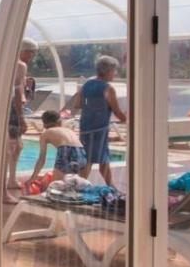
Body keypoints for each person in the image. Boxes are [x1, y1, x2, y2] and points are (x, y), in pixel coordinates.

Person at [66, 54, 128, 189]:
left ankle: (111, 187)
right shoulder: (108, 88)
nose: (115, 74)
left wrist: (92, 105)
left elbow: (77, 104)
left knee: (102, 158)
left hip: (86, 127)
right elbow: (117, 112)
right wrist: (127, 118)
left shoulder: (86, 85)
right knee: (90, 159)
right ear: (109, 70)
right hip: (98, 130)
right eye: (114, 71)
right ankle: (79, 187)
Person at [3, 39, 38, 202]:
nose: (32, 56)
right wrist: (21, 118)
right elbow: (17, 95)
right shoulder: (20, 65)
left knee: (16, 146)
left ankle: (10, 179)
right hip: (12, 109)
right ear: (22, 50)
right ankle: (7, 184)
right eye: (31, 52)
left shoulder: (5, 63)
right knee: (12, 147)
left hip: (6, 108)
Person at [25, 110, 87, 186]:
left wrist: (32, 178)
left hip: (65, 150)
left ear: (44, 124)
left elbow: (41, 159)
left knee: (56, 186)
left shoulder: (45, 134)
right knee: (77, 186)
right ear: (59, 121)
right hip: (81, 151)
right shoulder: (68, 130)